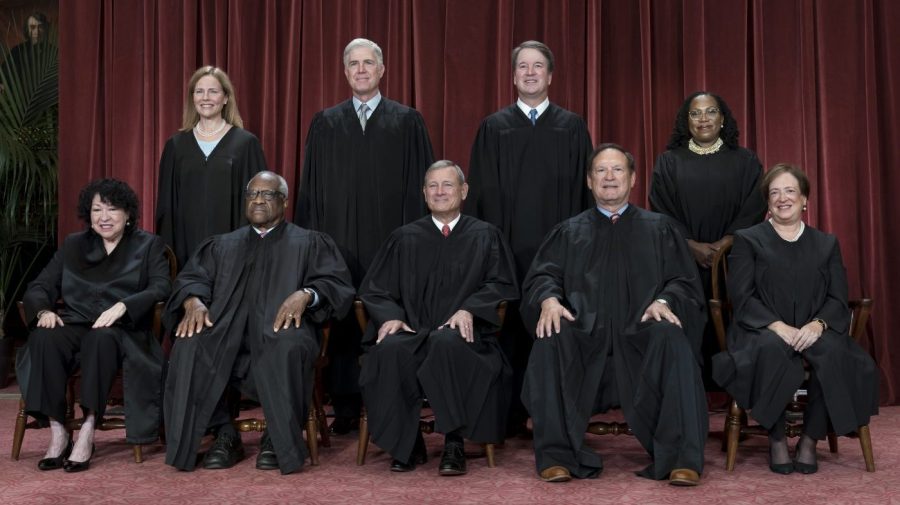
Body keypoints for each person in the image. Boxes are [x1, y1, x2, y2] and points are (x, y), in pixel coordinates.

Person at [521, 143, 708, 486]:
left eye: (618, 170)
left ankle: (681, 458)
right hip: (584, 333)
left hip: (642, 331)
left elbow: (684, 282)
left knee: (672, 337)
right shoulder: (568, 231)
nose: (609, 177)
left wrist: (664, 302)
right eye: (601, 171)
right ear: (589, 182)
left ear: (633, 178)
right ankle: (556, 455)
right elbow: (542, 276)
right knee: (551, 337)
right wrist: (548, 300)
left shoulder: (660, 228)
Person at [164, 171, 354, 475]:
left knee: (287, 346)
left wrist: (306, 294)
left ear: (285, 201)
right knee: (191, 344)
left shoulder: (309, 242)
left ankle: (276, 440)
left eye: (267, 194)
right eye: (252, 194)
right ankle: (224, 433)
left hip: (282, 330)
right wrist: (193, 301)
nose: (258, 200)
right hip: (226, 330)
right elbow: (191, 279)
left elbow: (335, 284)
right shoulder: (221, 245)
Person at [294, 38, 435, 433]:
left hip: (392, 244)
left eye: (368, 63)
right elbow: (310, 191)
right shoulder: (325, 122)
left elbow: (423, 189)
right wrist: (311, 246)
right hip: (338, 244)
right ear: (344, 72)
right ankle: (346, 405)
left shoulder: (407, 121)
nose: (360, 70)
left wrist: (416, 244)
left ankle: (394, 402)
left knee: (390, 315)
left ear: (382, 70)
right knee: (340, 319)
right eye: (353, 64)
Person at [712, 163, 878, 475]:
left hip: (815, 328)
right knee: (771, 349)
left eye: (790, 191)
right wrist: (777, 326)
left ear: (804, 199)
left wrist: (818, 325)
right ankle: (776, 437)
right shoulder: (749, 240)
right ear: (767, 201)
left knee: (832, 354)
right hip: (761, 328)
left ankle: (809, 439)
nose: (782, 198)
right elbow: (742, 297)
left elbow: (837, 298)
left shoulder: (826, 244)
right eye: (774, 192)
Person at [358, 160, 519, 475]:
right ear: (424, 192)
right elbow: (375, 289)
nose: (440, 191)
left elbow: (502, 284)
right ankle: (407, 443)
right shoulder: (404, 237)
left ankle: (454, 443)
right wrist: (390, 316)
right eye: (433, 185)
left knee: (447, 343)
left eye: (447, 185)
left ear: (463, 191)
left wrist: (470, 308)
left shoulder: (486, 236)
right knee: (390, 349)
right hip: (414, 330)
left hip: (465, 337)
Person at [466, 40, 593, 435]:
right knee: (507, 333)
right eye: (523, 66)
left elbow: (583, 193)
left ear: (551, 76)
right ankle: (506, 417)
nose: (531, 72)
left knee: (554, 330)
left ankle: (556, 417)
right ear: (514, 75)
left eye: (538, 66)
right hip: (507, 250)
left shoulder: (572, 127)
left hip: (558, 255)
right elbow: (481, 197)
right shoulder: (493, 128)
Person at [17, 178, 171, 472]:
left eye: (112, 210)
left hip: (123, 329)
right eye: (96, 209)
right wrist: (43, 311)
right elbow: (40, 286)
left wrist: (125, 305)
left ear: (128, 214)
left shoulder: (148, 244)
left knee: (100, 339)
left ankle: (88, 428)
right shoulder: (74, 245)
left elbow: (162, 287)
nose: (103, 217)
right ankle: (59, 430)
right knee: (44, 338)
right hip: (76, 322)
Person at [649, 91, 766, 384]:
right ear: (685, 121)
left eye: (711, 112)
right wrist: (691, 245)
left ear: (722, 118)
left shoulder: (745, 160)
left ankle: (735, 384)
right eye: (695, 113)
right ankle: (688, 385)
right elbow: (662, 209)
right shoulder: (668, 162)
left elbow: (756, 204)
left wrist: (728, 242)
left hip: (734, 259)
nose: (703, 119)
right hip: (683, 259)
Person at [156, 66, 268, 269]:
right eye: (199, 91)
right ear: (192, 98)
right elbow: (166, 206)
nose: (205, 97)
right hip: (186, 251)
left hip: (235, 253)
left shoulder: (245, 144)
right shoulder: (176, 145)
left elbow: (258, 203)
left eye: (213, 91)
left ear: (226, 98)